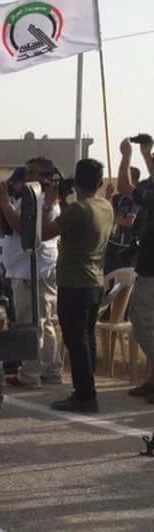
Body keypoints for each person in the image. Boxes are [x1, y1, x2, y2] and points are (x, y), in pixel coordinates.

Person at [40, 158, 112, 413]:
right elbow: (77, 222)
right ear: (100, 182)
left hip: (74, 284)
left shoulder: (78, 210)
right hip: (94, 282)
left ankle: (84, 395)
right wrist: (63, 201)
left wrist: (49, 203)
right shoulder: (105, 206)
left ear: (77, 182)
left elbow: (46, 232)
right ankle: (86, 387)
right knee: (87, 338)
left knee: (75, 340)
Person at [0, 160, 63, 389]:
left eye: (32, 172)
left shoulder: (45, 200)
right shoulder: (28, 198)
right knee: (44, 323)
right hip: (25, 269)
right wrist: (0, 203)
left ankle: (30, 375)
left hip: (34, 270)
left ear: (46, 176)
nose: (26, 176)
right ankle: (50, 370)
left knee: (32, 324)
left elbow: (25, 230)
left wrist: (5, 204)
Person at [117, 137, 154, 400]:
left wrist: (127, 155)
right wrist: (147, 153)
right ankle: (151, 381)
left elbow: (125, 187)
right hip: (148, 266)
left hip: (152, 271)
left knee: (141, 323)